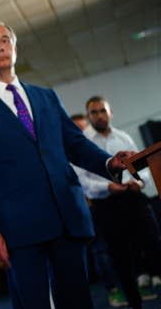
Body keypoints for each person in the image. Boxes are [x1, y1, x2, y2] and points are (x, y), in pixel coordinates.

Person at [0, 21, 132, 309]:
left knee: (78, 300)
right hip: (18, 228)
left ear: (14, 48)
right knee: (32, 302)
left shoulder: (45, 96)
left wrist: (109, 161)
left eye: (5, 40)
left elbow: (75, 143)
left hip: (66, 215)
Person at [84, 96, 161, 309]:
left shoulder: (123, 137)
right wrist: (107, 186)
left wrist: (140, 182)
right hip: (107, 205)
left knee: (155, 246)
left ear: (110, 113)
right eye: (94, 112)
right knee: (121, 260)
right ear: (89, 116)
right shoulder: (84, 142)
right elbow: (82, 180)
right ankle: (135, 304)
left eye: (102, 111)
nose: (99, 115)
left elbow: (142, 166)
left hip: (134, 198)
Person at [70, 113, 128, 307]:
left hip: (109, 204)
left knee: (118, 247)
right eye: (76, 129)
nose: (81, 133)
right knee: (100, 250)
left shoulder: (93, 148)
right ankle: (112, 290)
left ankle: (129, 286)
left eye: (83, 129)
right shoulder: (67, 150)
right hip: (85, 208)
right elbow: (80, 180)